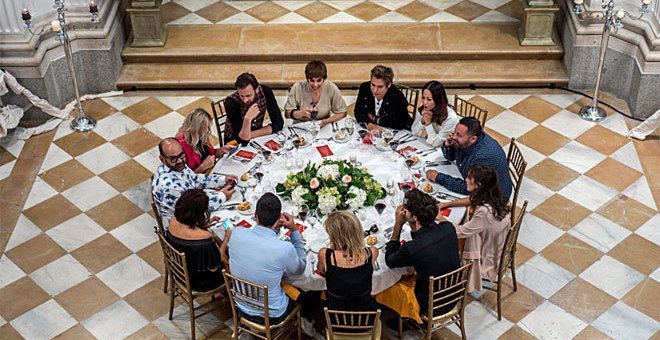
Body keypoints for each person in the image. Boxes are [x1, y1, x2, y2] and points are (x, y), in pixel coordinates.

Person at [227, 193, 306, 325]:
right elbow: (299, 269)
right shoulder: (284, 248)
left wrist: (274, 229)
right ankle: (307, 324)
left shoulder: (237, 232)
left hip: (240, 304)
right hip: (271, 315)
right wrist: (294, 230)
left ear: (255, 215)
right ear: (278, 219)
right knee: (307, 296)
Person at [385, 189, 460, 317]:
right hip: (455, 293)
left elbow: (390, 261)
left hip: (430, 304)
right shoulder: (448, 228)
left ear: (414, 217)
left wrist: (398, 225)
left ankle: (407, 318)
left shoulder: (412, 248)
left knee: (391, 285)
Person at [438, 165, 511, 293]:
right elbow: (472, 200)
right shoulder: (493, 195)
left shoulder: (484, 212)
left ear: (478, 184)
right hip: (497, 242)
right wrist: (447, 204)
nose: (465, 180)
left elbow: (460, 232)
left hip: (487, 255)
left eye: (469, 178)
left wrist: (439, 217)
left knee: (444, 248)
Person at [152, 138, 236, 231]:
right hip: (181, 229)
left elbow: (195, 179)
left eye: (181, 155)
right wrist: (222, 196)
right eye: (173, 158)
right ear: (162, 159)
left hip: (189, 213)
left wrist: (222, 180)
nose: (180, 160)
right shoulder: (171, 188)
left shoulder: (176, 166)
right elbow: (196, 212)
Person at [425, 117, 512, 201]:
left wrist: (439, 177)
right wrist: (448, 146)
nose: (454, 137)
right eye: (455, 132)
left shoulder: (482, 157)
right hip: (471, 180)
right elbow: (451, 157)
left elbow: (469, 188)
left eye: (458, 135)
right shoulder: (466, 141)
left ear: (473, 139)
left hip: (493, 198)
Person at [317, 211, 378, 312]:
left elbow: (322, 271)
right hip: (366, 314)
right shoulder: (371, 252)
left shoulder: (325, 254)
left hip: (335, 317)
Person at [166, 189, 224, 291]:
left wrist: (203, 225)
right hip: (200, 281)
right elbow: (215, 265)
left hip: (179, 271)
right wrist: (226, 238)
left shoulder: (173, 220)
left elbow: (187, 228)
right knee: (230, 261)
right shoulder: (204, 238)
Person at [224, 73, 284, 145]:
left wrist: (250, 135)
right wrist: (247, 119)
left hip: (256, 137)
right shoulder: (231, 103)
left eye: (248, 95)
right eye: (241, 96)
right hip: (233, 141)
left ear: (257, 89)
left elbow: (278, 123)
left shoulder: (266, 92)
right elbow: (242, 140)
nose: (245, 100)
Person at [284, 60, 347, 128]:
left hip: (324, 127)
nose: (315, 85)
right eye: (312, 80)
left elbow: (342, 113)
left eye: (319, 80)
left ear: (324, 79)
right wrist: (298, 114)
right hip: (300, 127)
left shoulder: (331, 88)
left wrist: (327, 121)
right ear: (307, 79)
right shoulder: (297, 87)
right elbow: (287, 114)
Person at [354, 65, 412, 131]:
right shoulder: (364, 87)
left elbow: (398, 123)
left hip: (397, 132)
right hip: (373, 130)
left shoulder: (397, 96)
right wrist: (369, 124)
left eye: (380, 87)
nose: (374, 90)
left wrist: (374, 119)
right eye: (373, 85)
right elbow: (358, 112)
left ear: (389, 84)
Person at [176, 108, 234, 173]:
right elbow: (184, 178)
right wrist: (203, 166)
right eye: (205, 127)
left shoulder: (202, 136)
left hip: (211, 171)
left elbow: (208, 153)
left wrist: (221, 150)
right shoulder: (179, 147)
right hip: (200, 179)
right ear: (197, 128)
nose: (208, 130)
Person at [411, 81, 459, 147]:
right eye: (423, 98)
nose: (424, 102)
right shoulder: (424, 107)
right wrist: (422, 121)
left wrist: (428, 124)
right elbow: (414, 132)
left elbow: (436, 143)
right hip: (430, 144)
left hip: (446, 150)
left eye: (429, 99)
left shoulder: (450, 117)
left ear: (438, 100)